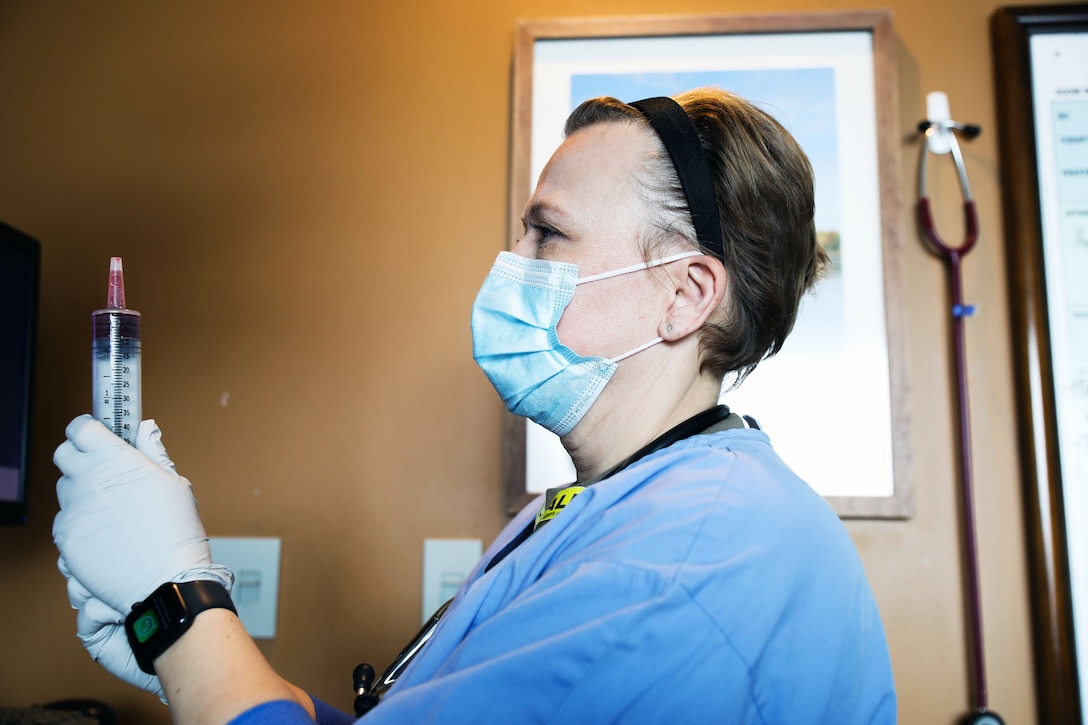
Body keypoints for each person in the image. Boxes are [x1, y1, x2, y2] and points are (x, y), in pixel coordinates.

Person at [53, 88, 897, 724]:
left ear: (684, 295)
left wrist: (182, 610)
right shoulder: (623, 509)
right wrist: (190, 654)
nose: (510, 262)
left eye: (548, 235)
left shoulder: (684, 564)